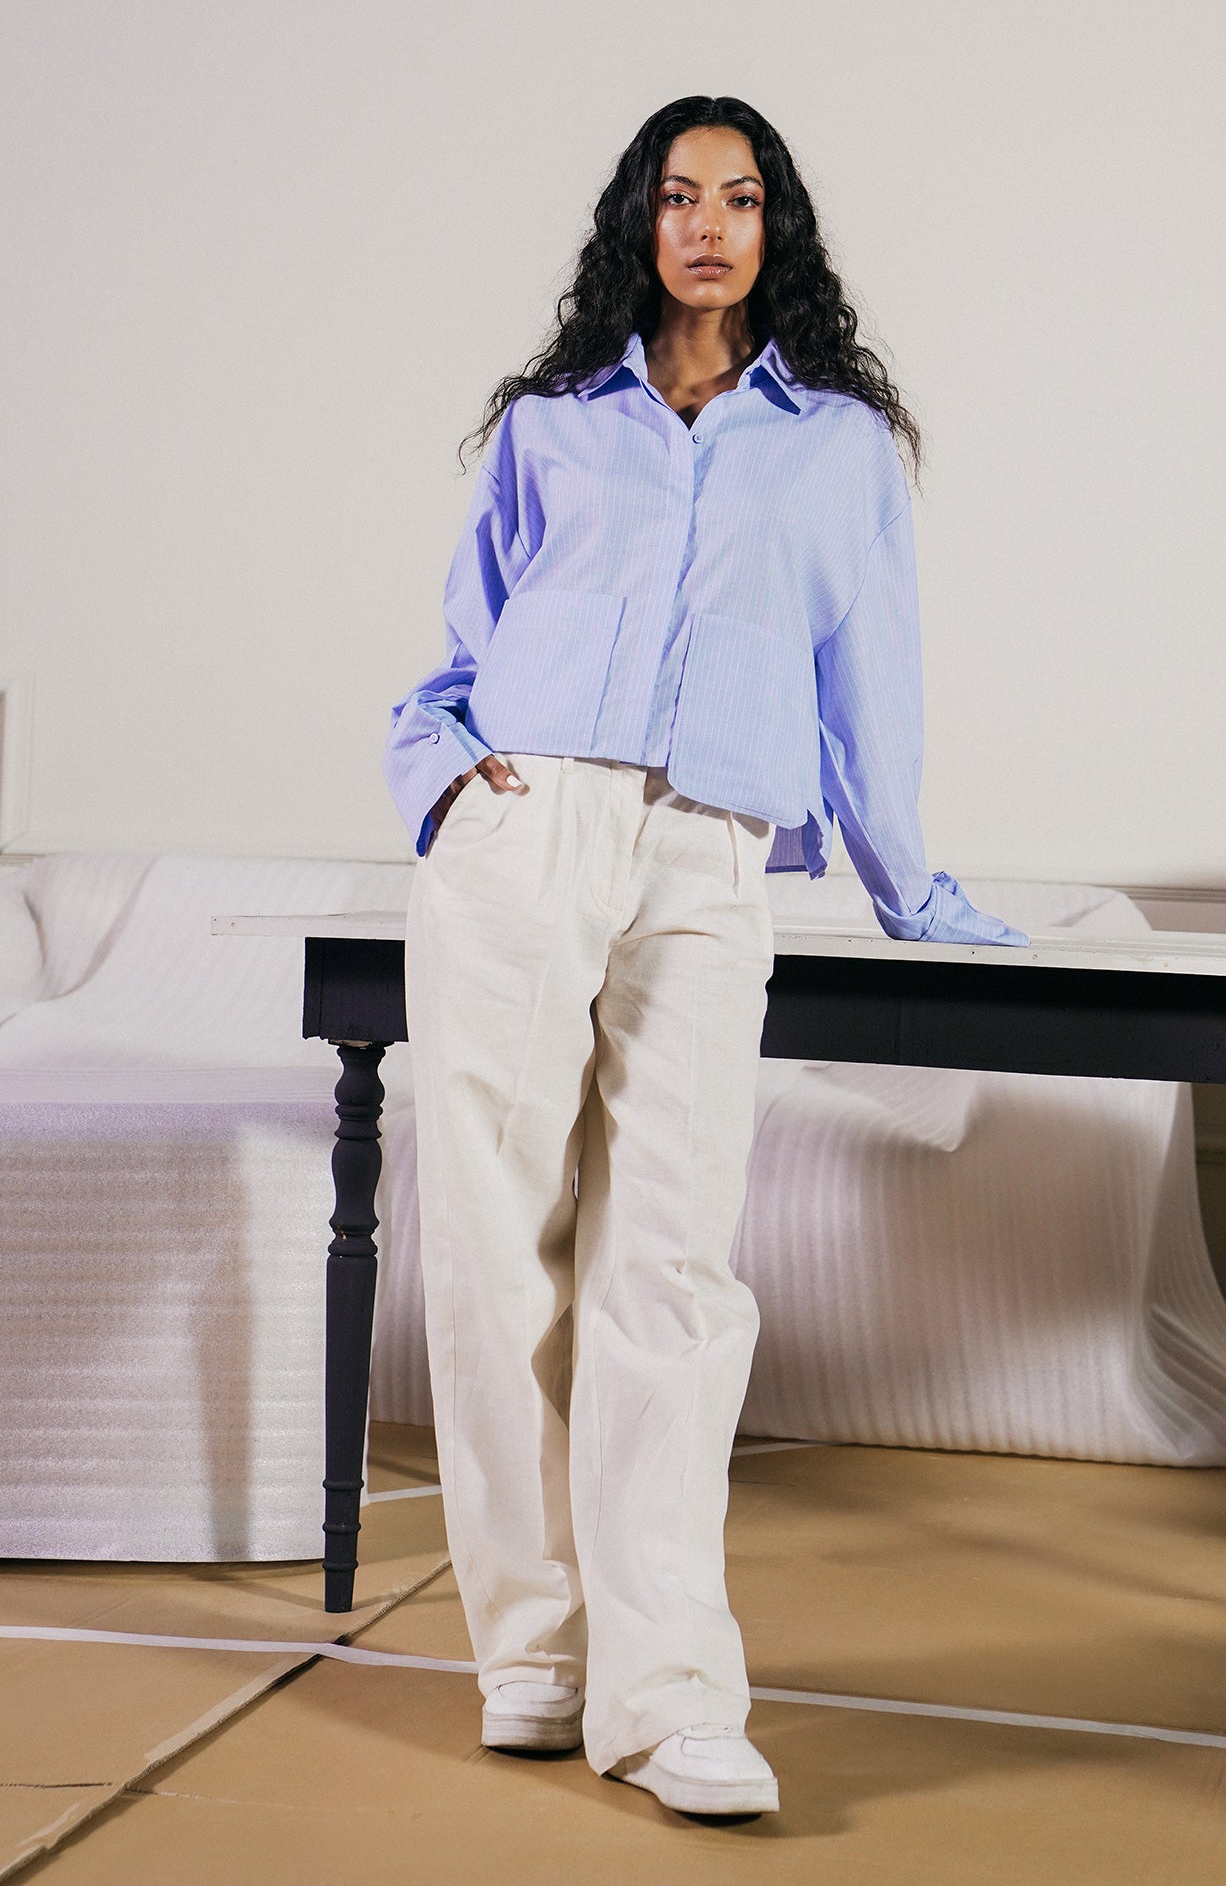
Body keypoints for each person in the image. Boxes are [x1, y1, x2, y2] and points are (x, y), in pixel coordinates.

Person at [383, 94, 1026, 1820]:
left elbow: (868, 681)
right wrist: (444, 783)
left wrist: (910, 886)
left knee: (667, 1260)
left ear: (773, 228)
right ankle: (534, 1655)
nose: (707, 225)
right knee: (495, 1250)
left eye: (738, 198)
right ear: (640, 222)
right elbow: (455, 657)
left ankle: (668, 1697)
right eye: (678, 196)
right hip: (525, 826)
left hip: (710, 844)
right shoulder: (549, 426)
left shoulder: (839, 447)